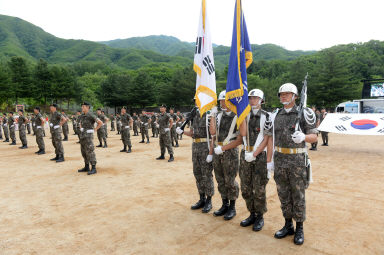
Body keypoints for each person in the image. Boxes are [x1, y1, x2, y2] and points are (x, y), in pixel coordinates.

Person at [270, 83, 317, 245]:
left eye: (287, 94)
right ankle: (287, 224)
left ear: (295, 96)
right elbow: (272, 139)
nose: (283, 96)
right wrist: (270, 161)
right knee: (283, 195)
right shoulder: (276, 114)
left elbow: (314, 137)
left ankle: (299, 228)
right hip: (280, 160)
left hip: (297, 162)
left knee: (298, 195)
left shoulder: (305, 113)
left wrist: (304, 137)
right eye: (281, 94)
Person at [235, 89, 273, 231]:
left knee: (259, 189)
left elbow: (267, 139)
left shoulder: (267, 116)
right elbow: (243, 134)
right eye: (250, 98)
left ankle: (259, 216)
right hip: (246, 154)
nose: (252, 100)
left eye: (255, 98)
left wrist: (257, 155)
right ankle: (251, 213)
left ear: (261, 100)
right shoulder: (244, 115)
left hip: (260, 156)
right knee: (245, 187)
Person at [177, 105, 214, 213]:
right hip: (195, 148)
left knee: (206, 174)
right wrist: (182, 131)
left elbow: (213, 136)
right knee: (197, 173)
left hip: (205, 148)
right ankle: (201, 198)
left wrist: (211, 153)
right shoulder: (194, 117)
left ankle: (209, 200)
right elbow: (193, 133)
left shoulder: (209, 115)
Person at [210, 91, 240, 221]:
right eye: (221, 101)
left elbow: (239, 139)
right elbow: (212, 133)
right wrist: (212, 115)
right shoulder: (218, 116)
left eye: (225, 100)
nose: (222, 103)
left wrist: (223, 148)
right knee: (220, 178)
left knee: (230, 180)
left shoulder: (237, 116)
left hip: (230, 152)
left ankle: (232, 206)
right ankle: (224, 204)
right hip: (218, 150)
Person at [77, 102, 103, 175]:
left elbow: (100, 123)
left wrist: (94, 129)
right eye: (82, 106)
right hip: (82, 135)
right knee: (84, 151)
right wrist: (81, 128)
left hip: (88, 136)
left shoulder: (91, 115)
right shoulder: (82, 115)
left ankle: (94, 168)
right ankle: (86, 166)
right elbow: (79, 123)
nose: (82, 108)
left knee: (90, 151)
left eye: (83, 106)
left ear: (88, 107)